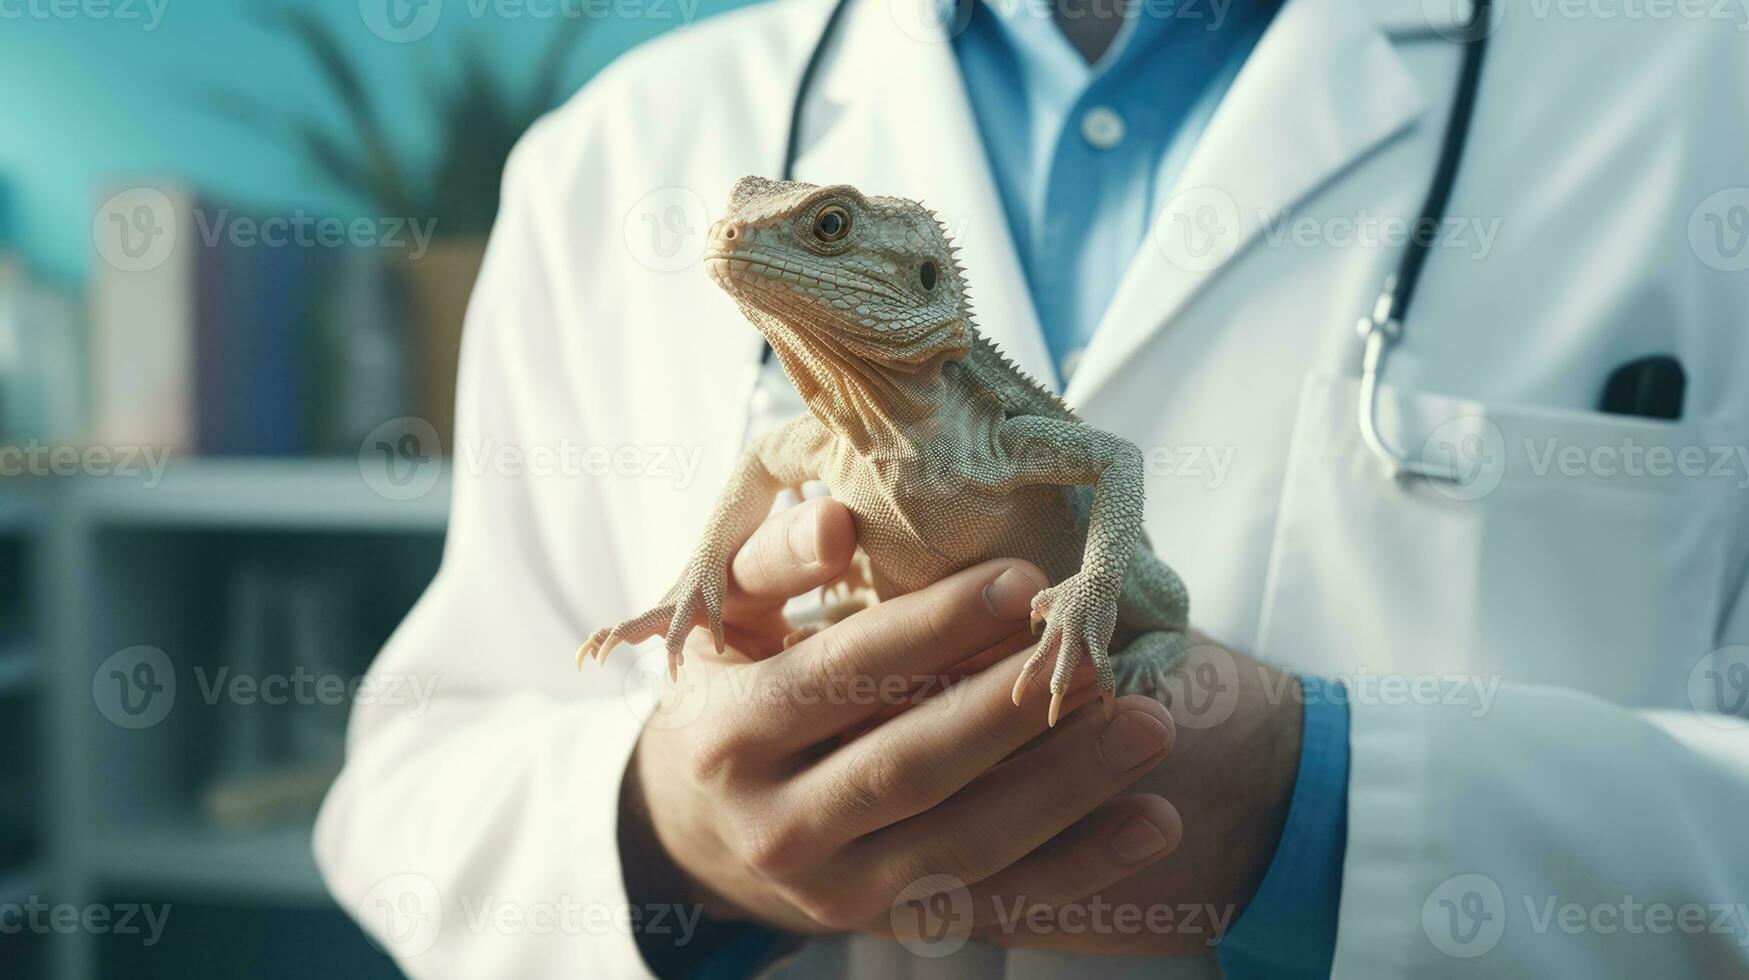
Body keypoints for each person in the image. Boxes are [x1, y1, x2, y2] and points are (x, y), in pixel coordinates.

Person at [315, 0, 1749, 976]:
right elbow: (410, 792)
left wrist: (1318, 809)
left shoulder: (1700, 81)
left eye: (815, 230)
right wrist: (662, 833)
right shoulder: (616, 149)